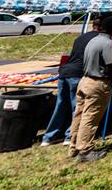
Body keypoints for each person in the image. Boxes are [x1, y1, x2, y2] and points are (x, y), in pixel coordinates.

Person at [41, 17, 101, 147]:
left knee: (61, 104)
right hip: (78, 74)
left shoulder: (80, 38)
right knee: (77, 106)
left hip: (65, 72)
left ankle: (49, 137)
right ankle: (69, 135)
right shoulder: (98, 40)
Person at [68, 16, 112, 162]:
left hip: (84, 80)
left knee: (79, 115)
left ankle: (74, 146)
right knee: (90, 117)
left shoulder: (93, 40)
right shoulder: (108, 43)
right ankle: (85, 150)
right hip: (97, 83)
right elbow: (110, 65)